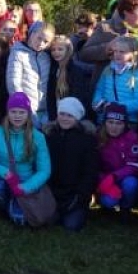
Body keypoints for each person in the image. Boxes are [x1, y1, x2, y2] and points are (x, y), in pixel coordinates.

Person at [0, 92, 51, 226]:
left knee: (19, 220)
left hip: (25, 181)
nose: (17, 116)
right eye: (13, 111)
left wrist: (25, 187)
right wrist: (6, 174)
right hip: (2, 179)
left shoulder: (38, 137)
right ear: (8, 113)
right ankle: (6, 204)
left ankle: (16, 203)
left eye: (21, 112)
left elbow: (45, 170)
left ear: (28, 114)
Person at [44, 97, 99, 231]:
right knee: (47, 220)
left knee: (71, 225)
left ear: (77, 118)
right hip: (52, 191)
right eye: (62, 114)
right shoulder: (49, 135)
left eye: (70, 115)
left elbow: (90, 172)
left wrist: (80, 196)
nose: (65, 118)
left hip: (74, 194)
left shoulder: (87, 139)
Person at [80, 0, 138, 86]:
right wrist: (108, 47)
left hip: (135, 90)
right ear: (127, 11)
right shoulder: (105, 27)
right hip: (107, 90)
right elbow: (85, 54)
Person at [92, 36, 138, 127]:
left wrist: (117, 107)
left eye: (122, 52)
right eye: (115, 51)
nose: (117, 54)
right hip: (105, 120)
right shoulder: (108, 70)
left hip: (127, 122)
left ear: (133, 54)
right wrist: (98, 103)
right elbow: (99, 89)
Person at [6, 21, 55, 127]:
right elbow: (14, 84)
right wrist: (26, 111)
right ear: (31, 34)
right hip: (25, 112)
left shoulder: (46, 57)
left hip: (45, 112)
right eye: (39, 38)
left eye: (46, 41)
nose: (41, 43)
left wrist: (49, 113)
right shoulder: (18, 54)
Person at [96, 102, 138, 216]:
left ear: (125, 124)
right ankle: (105, 205)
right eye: (110, 122)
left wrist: (114, 176)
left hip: (123, 177)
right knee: (109, 202)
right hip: (104, 179)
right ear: (104, 122)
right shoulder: (98, 137)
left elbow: (134, 165)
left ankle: (126, 209)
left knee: (131, 184)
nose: (114, 127)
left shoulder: (131, 137)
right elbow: (93, 164)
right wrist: (103, 179)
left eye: (119, 123)